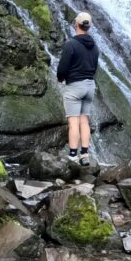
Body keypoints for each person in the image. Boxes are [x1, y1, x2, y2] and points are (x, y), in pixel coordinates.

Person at [56, 11, 99, 165]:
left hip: (75, 86)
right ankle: (85, 155)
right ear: (89, 26)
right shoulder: (94, 46)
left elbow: (63, 67)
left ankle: (73, 155)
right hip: (90, 86)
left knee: (73, 123)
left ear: (76, 24)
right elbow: (95, 66)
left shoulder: (71, 44)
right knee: (84, 121)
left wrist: (60, 78)